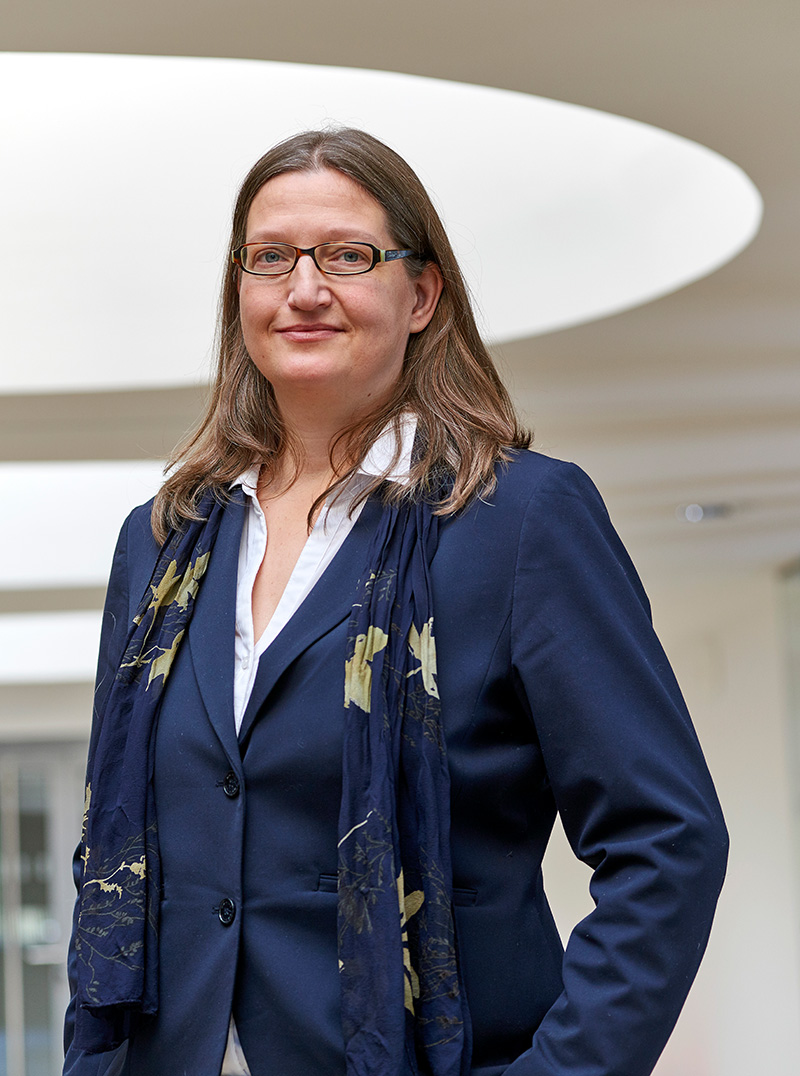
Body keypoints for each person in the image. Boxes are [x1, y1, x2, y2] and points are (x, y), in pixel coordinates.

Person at [64, 127, 728, 1076]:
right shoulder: (165, 539)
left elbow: (669, 843)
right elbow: (112, 844)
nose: (303, 289)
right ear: (239, 292)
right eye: (270, 259)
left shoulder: (521, 520)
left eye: (347, 255)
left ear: (421, 295)